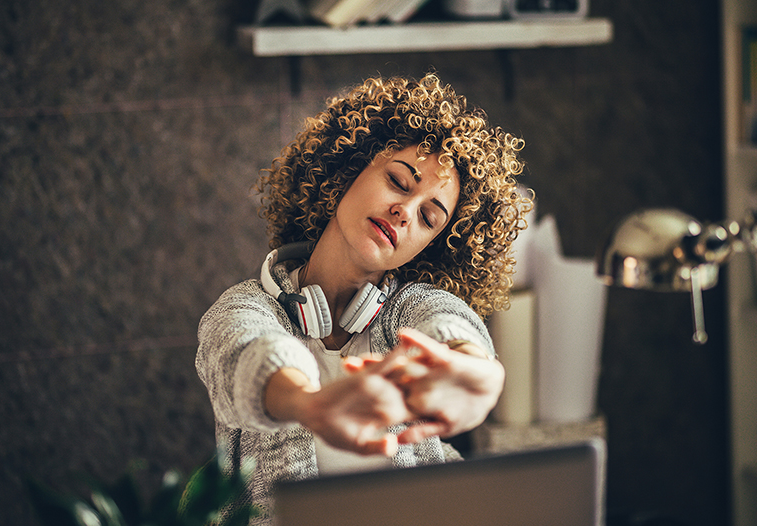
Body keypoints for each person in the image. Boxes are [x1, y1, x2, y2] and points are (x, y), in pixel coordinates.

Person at [195, 72, 532, 524]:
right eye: (398, 181)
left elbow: (450, 325)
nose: (405, 212)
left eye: (429, 217)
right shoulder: (247, 307)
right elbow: (244, 352)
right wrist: (307, 404)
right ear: (349, 167)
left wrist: (478, 370)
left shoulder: (408, 307)